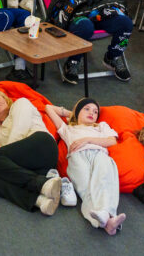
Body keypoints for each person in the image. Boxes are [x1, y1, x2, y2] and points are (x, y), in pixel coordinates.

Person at [0, 89, 65, 215]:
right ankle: (39, 200)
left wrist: (3, 164)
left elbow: (18, 133)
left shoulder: (20, 104)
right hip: (29, 167)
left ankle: (41, 184)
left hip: (42, 147)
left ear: (5, 98)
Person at [43, 98, 126, 234]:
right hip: (77, 157)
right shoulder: (67, 129)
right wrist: (73, 114)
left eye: (95, 112)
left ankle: (106, 214)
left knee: (104, 182)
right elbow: (48, 108)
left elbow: (112, 141)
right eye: (86, 109)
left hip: (99, 153)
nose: (92, 113)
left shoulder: (101, 126)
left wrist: (87, 139)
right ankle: (108, 222)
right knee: (86, 190)